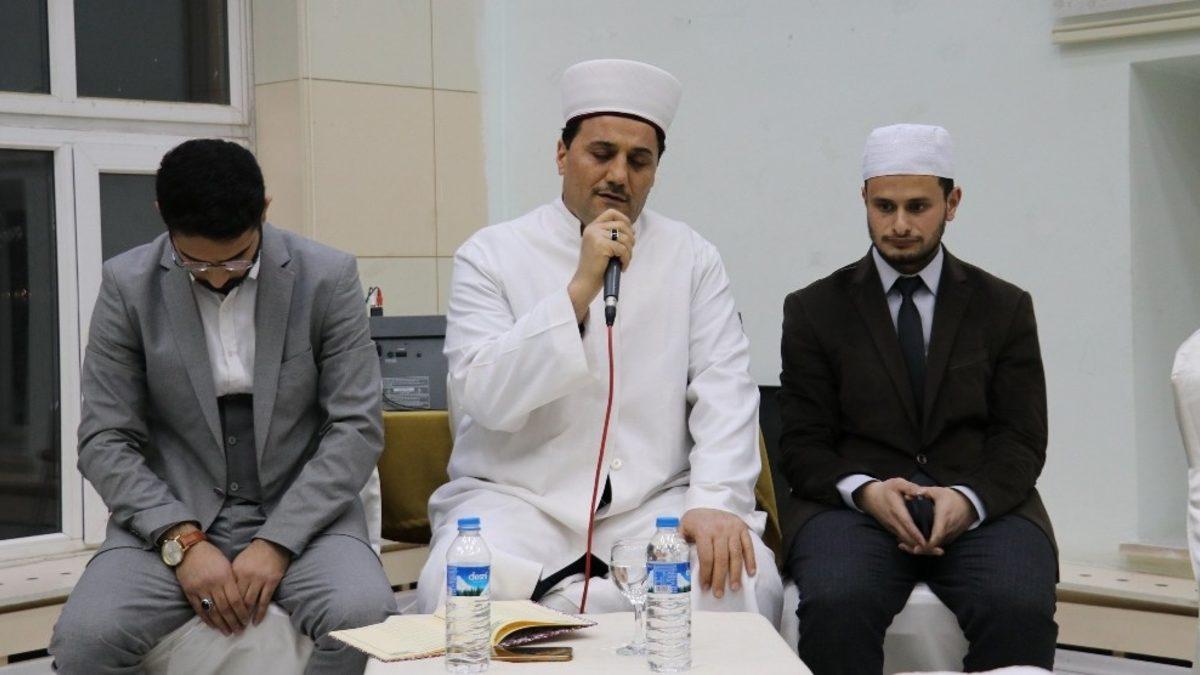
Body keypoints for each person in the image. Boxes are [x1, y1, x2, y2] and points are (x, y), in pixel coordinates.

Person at [417, 59, 782, 623]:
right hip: (518, 503)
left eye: (639, 161)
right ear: (562, 154)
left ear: (656, 170)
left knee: (742, 580)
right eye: (601, 153)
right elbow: (483, 396)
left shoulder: (692, 257)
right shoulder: (490, 255)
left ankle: (583, 606)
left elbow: (725, 389)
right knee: (458, 589)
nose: (619, 175)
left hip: (652, 504)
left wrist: (714, 501)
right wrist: (578, 292)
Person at [49, 139, 396, 674]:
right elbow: (104, 438)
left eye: (236, 258)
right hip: (173, 505)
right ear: (162, 214)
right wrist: (182, 542)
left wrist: (278, 541)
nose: (216, 276)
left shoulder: (327, 277)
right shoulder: (126, 284)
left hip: (303, 508)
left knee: (365, 619)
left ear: (265, 210)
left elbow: (356, 428)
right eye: (194, 263)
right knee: (85, 640)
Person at [778, 123, 1058, 673]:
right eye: (884, 207)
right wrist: (866, 492)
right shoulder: (814, 310)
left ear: (952, 203)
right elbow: (802, 445)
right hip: (853, 512)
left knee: (1017, 604)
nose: (900, 225)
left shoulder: (1004, 307)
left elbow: (1021, 438)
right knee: (838, 601)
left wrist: (968, 499)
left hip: (984, 507)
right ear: (864, 199)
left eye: (918, 207)